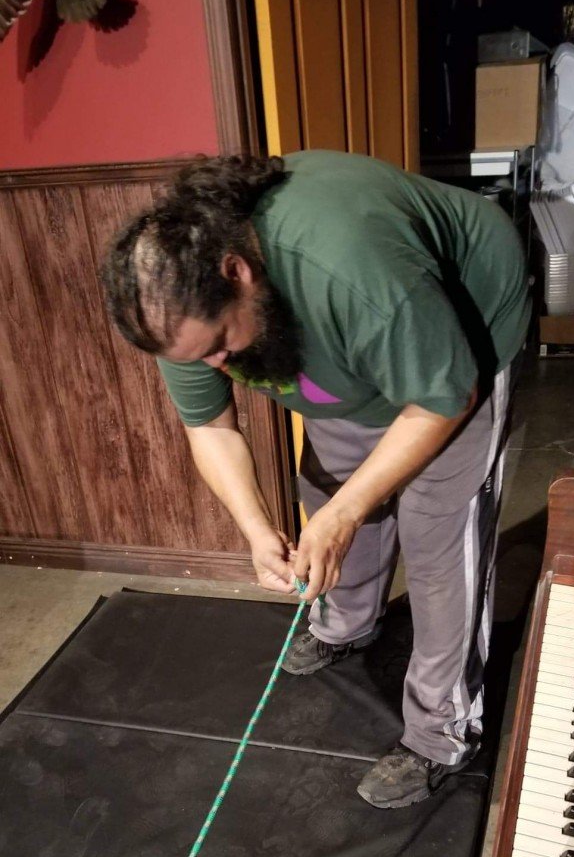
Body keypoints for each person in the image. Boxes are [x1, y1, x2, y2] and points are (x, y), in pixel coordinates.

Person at [102, 150, 531, 810]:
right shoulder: (176, 308)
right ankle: (345, 624)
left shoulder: (349, 267)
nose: (213, 366)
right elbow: (209, 426)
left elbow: (443, 399)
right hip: (356, 350)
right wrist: (256, 529)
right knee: (329, 493)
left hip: (462, 332)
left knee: (439, 543)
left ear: (238, 271)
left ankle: (441, 733)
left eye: (219, 347)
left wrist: (349, 511)